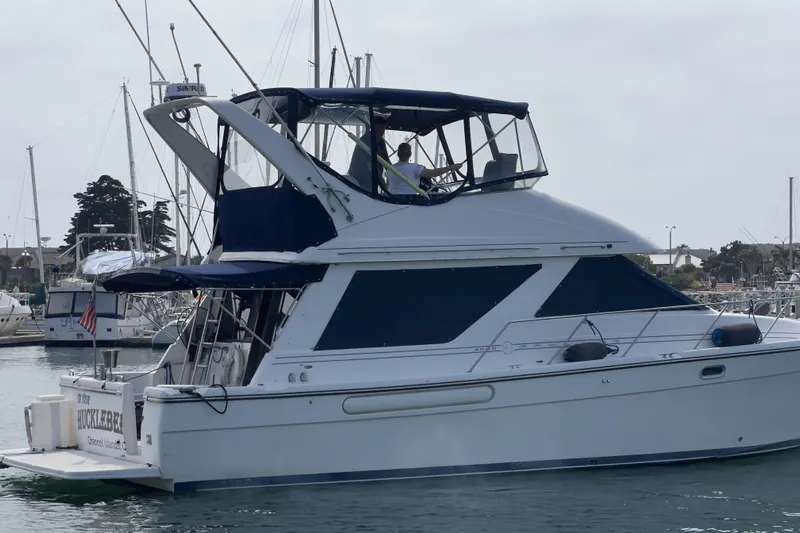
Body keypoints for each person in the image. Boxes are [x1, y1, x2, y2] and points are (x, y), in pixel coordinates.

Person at [387, 142, 462, 195]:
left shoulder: (389, 169)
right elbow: (434, 173)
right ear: (410, 154)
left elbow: (388, 185)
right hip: (409, 200)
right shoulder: (415, 168)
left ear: (398, 154)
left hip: (392, 199)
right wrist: (451, 167)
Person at [347, 115, 389, 192]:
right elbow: (370, 164)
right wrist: (383, 184)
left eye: (383, 130)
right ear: (373, 128)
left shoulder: (381, 142)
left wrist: (393, 176)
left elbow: (387, 162)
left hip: (373, 181)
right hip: (360, 180)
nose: (381, 133)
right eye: (379, 129)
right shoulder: (366, 140)